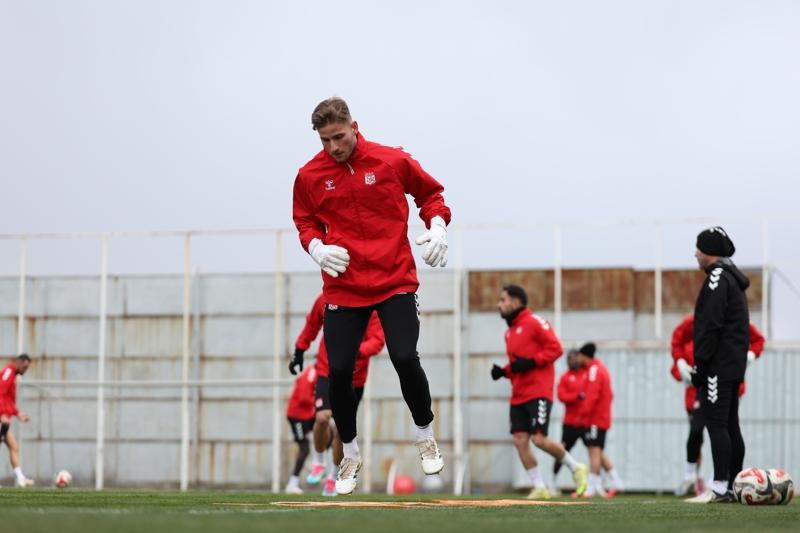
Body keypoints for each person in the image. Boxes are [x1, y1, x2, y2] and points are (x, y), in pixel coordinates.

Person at [292, 96, 450, 494]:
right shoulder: (309, 175)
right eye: (325, 140)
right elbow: (305, 221)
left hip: (395, 279)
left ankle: (425, 434)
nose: (334, 147)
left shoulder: (390, 160)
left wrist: (437, 227)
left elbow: (430, 194)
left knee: (404, 356)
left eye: (339, 137)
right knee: (338, 371)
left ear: (354, 127)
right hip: (344, 286)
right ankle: (350, 453)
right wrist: (316, 248)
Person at [491, 285, 588, 499]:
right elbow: (519, 365)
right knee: (520, 440)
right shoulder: (509, 333)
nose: (499, 305)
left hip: (538, 392)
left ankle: (576, 468)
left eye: (503, 300)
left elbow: (555, 349)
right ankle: (540, 487)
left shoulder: (535, 322)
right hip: (518, 394)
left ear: (515, 302)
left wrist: (532, 361)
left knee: (539, 439)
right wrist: (504, 372)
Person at [290, 293, 385, 496]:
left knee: (343, 431)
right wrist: (299, 349)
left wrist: (353, 352)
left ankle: (334, 476)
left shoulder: (371, 307)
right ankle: (318, 462)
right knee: (322, 417)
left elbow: (377, 341)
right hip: (327, 371)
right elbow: (312, 325)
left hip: (355, 378)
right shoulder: (326, 298)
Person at [687, 227, 750, 504]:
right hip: (732, 365)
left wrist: (700, 364)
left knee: (716, 423)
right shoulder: (731, 278)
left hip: (718, 366)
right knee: (730, 424)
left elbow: (710, 326)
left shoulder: (716, 278)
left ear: (709, 252)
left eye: (699, 248)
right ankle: (734, 486)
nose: (695, 254)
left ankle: (721, 487)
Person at [670, 314, 765, 496]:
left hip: (727, 384)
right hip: (700, 388)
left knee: (726, 429)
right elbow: (678, 342)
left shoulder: (736, 319)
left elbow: (758, 340)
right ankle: (693, 476)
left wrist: (749, 356)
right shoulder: (696, 322)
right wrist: (682, 367)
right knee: (698, 431)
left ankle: (721, 480)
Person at [575, 342, 623, 498]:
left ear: (584, 356)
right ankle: (615, 481)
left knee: (594, 452)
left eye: (579, 355)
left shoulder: (594, 370)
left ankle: (591, 487)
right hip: (599, 417)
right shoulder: (599, 369)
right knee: (597, 452)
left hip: (595, 418)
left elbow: (592, 396)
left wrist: (583, 414)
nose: (577, 359)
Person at [0, 354, 34, 487]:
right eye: (24, 367)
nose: (25, 370)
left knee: (14, 446)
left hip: (4, 420)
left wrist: (17, 413)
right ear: (19, 362)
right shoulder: (8, 372)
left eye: (27, 368)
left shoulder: (12, 375)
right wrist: (2, 414)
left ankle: (20, 478)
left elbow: (8, 400)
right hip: (2, 418)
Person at [284, 364, 317, 494]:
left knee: (327, 432)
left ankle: (318, 465)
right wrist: (321, 402)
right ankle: (292, 484)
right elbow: (304, 398)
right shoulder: (312, 373)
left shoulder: (316, 373)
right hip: (297, 416)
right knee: (304, 447)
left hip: (307, 415)